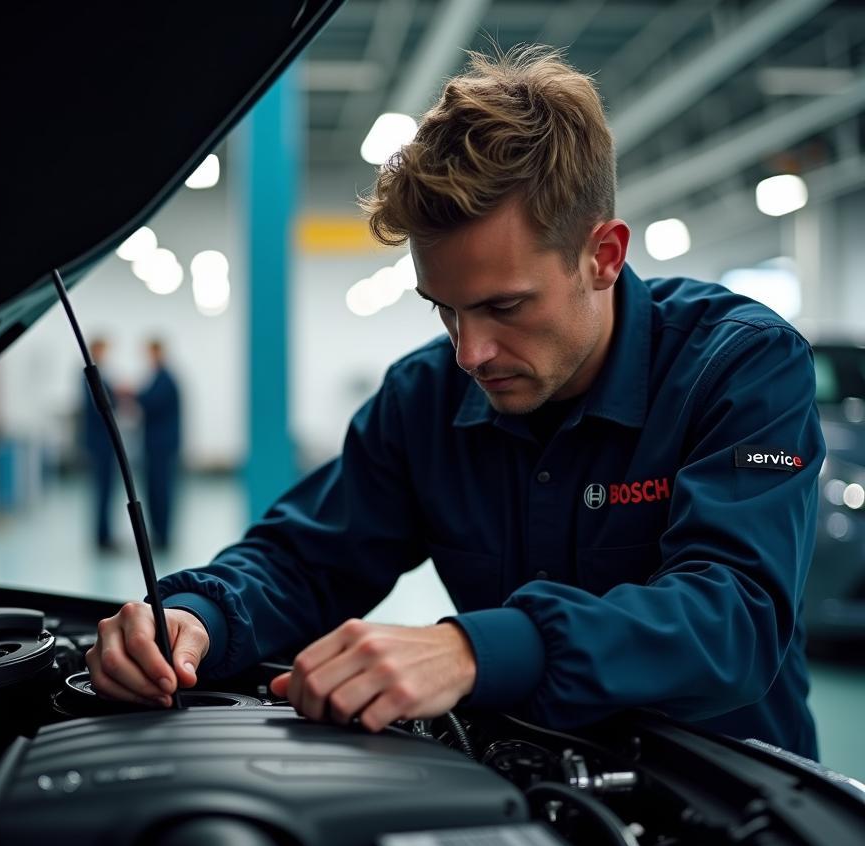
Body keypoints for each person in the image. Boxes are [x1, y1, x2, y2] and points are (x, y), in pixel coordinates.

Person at [86, 46, 824, 758]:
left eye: (505, 306)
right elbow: (308, 560)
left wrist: (475, 650)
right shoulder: (423, 397)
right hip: (532, 787)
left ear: (603, 257)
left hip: (730, 801)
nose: (470, 353)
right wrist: (197, 616)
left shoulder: (741, 365)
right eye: (445, 309)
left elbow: (734, 617)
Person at [134, 339, 182, 551]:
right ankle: (158, 534)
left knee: (160, 491)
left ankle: (162, 536)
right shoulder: (159, 378)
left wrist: (132, 394)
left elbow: (152, 402)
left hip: (161, 446)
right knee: (154, 491)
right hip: (155, 445)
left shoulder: (165, 379)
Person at [81, 337, 119, 552]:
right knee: (102, 491)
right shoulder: (90, 377)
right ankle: (102, 538)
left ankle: (105, 535)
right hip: (99, 443)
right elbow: (100, 405)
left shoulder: (100, 375)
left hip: (104, 442)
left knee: (106, 491)